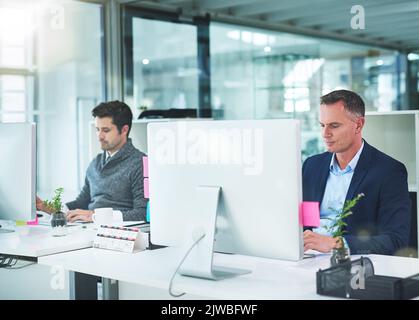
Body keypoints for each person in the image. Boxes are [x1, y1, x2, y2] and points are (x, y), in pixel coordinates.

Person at [303, 90, 411, 255]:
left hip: (352, 264)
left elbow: (396, 239)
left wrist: (336, 244)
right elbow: (308, 221)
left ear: (359, 125)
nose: (325, 134)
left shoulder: (389, 171)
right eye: (322, 125)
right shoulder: (312, 166)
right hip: (307, 258)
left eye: (334, 125)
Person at [37, 101, 147, 222]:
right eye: (97, 129)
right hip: (88, 228)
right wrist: (49, 208)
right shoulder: (95, 163)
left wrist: (94, 216)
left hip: (117, 232)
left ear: (124, 130)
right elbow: (82, 202)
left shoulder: (140, 163)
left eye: (105, 130)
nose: (99, 136)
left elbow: (142, 213)